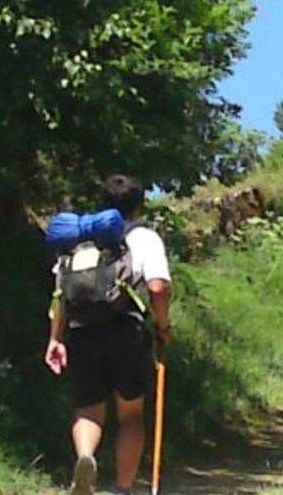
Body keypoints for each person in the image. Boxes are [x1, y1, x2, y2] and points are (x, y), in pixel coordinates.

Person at [44, 174, 172, 495]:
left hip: (82, 331)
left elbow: (60, 293)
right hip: (125, 330)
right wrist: (163, 325)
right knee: (130, 413)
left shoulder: (80, 241)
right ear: (139, 206)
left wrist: (55, 339)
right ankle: (124, 489)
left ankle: (86, 457)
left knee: (88, 409)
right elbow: (158, 286)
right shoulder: (144, 237)